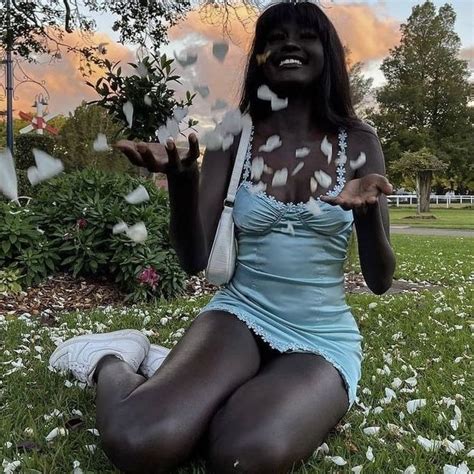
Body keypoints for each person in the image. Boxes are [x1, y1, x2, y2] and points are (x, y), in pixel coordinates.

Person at [49, 2, 395, 473]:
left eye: (305, 36)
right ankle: (112, 358)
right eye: (274, 38)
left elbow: (379, 279)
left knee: (242, 454)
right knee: (140, 439)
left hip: (320, 336)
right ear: (259, 59)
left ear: (328, 53)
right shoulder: (234, 138)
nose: (289, 44)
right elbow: (194, 260)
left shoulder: (358, 140)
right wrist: (183, 179)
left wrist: (369, 211)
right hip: (239, 316)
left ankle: (219, 380)